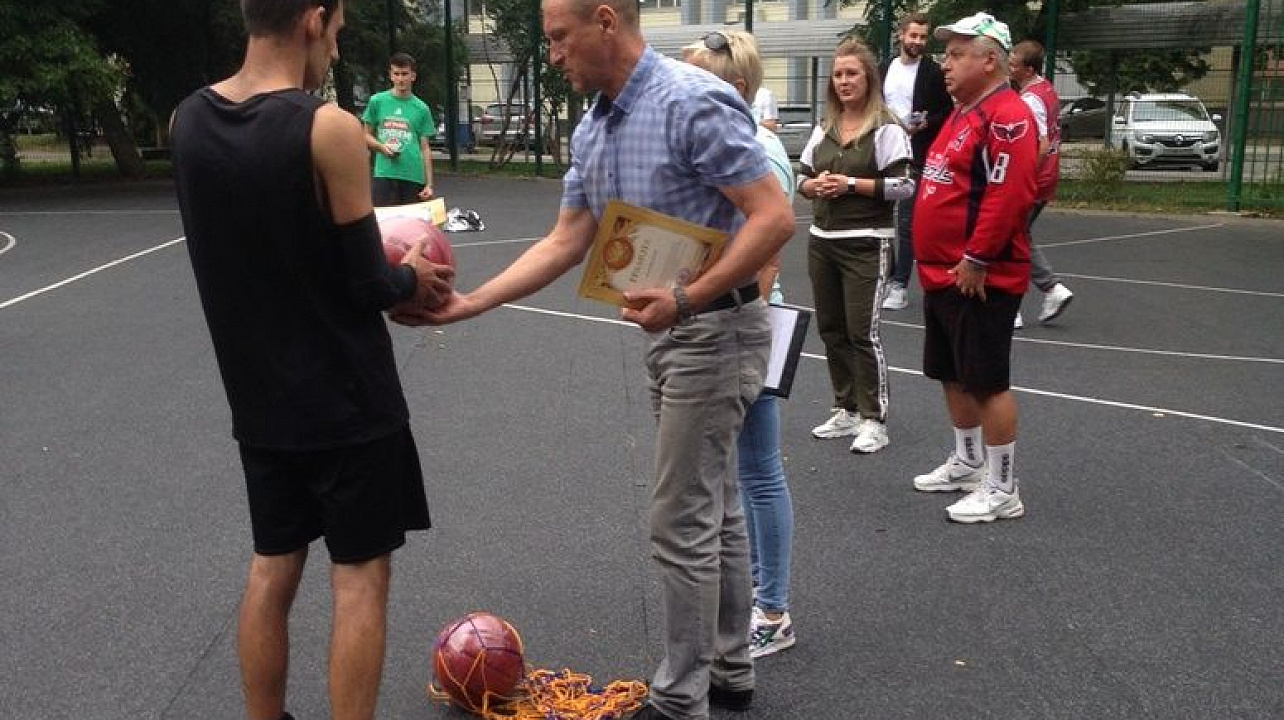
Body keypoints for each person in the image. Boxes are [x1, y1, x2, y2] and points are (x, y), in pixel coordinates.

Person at [399, 1, 795, 718]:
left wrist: (687, 296)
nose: (552, 55)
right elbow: (565, 238)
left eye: (558, 38)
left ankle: (680, 699)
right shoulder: (594, 126)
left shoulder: (692, 100)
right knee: (718, 506)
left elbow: (773, 214)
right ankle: (730, 670)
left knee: (680, 519)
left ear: (606, 21)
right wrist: (471, 303)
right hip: (676, 332)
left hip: (716, 330)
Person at [169, 2, 454, 719]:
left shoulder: (187, 123)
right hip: (349, 400)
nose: (334, 46)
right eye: (336, 31)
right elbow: (369, 284)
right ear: (312, 19)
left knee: (273, 567)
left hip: (260, 405)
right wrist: (413, 276)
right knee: (359, 578)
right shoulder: (325, 126)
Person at [683, 29, 797, 661]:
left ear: (737, 89)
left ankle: (773, 609)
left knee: (758, 471)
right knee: (743, 473)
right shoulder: (726, 143)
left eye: (699, 79)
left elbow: (764, 268)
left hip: (745, 329)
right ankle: (756, 597)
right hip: (722, 324)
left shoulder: (760, 150)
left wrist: (694, 302)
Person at [909, 12, 1038, 524]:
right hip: (942, 273)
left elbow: (1009, 197)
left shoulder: (1007, 117)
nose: (947, 62)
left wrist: (977, 258)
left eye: (959, 53)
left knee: (986, 381)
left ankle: (1003, 488)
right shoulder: (964, 111)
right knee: (952, 373)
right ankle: (967, 462)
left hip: (979, 277)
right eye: (948, 52)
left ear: (990, 60)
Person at [799, 39, 915, 455]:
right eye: (839, 74)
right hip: (822, 240)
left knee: (862, 333)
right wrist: (815, 185)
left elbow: (904, 186)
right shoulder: (825, 125)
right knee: (831, 330)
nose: (844, 81)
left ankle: (874, 418)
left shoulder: (886, 127)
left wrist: (849, 184)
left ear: (869, 78)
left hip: (867, 242)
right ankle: (845, 407)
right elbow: (802, 179)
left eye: (852, 74)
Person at [879, 12, 954, 312]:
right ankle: (888, 275)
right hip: (884, 151)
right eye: (914, 36)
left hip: (916, 155)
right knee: (880, 217)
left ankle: (900, 284)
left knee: (907, 221)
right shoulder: (885, 68)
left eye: (923, 37)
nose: (918, 42)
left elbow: (946, 112)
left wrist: (925, 124)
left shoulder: (933, 73)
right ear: (901, 36)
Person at [1009, 39, 1075, 328]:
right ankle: (1051, 288)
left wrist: (1023, 176)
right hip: (1045, 179)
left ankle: (1013, 307)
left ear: (1028, 68)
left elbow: (1042, 144)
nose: (1009, 66)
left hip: (1034, 181)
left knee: (1009, 239)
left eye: (1014, 63)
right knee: (1019, 235)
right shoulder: (1045, 88)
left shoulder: (1031, 99)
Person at [362, 52, 437, 206]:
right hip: (385, 173)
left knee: (410, 225)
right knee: (385, 223)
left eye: (405, 74)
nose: (401, 79)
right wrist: (381, 147)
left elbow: (425, 148)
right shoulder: (377, 101)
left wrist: (429, 184)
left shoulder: (422, 108)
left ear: (413, 76)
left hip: (413, 175)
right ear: (390, 75)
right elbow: (365, 135)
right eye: (396, 74)